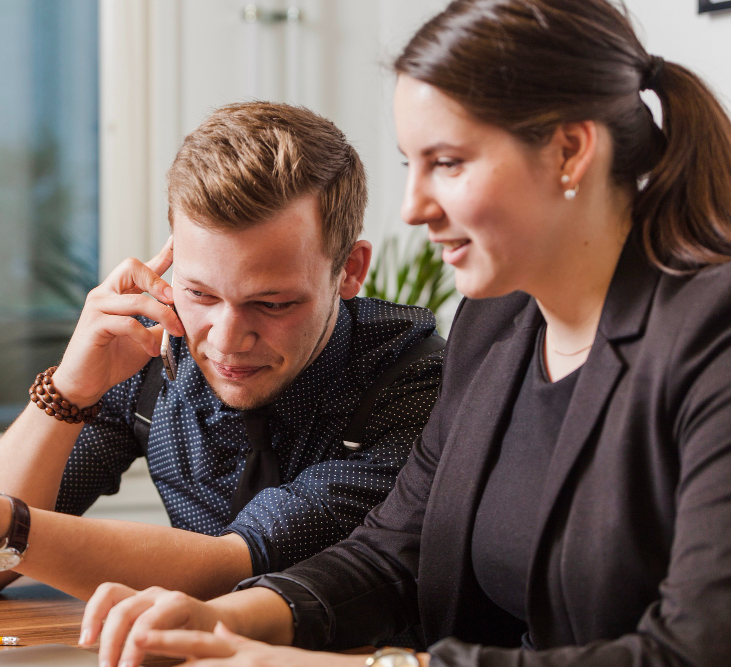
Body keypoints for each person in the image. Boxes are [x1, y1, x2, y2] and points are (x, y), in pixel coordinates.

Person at [78, 1, 731, 666]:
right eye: (409, 166)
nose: (413, 208)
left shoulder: (713, 335)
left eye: (446, 163)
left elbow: (693, 650)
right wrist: (223, 620)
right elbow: (392, 550)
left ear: (569, 149)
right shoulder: (495, 325)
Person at [0, 102, 444, 603]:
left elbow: (235, 571)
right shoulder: (152, 351)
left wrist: (4, 525)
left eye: (272, 303)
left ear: (350, 269)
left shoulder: (417, 385)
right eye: (200, 293)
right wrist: (69, 390)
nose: (224, 340)